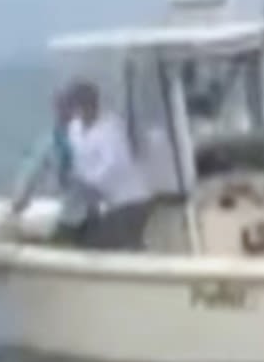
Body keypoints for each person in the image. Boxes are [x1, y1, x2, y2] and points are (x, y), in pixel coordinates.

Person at [63, 79, 155, 250]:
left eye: (82, 105)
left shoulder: (111, 127)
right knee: (86, 242)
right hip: (103, 203)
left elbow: (115, 163)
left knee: (109, 246)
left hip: (130, 201)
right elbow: (78, 161)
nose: (77, 111)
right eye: (73, 106)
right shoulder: (74, 129)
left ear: (92, 104)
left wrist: (91, 182)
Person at [10, 88, 98, 243]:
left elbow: (33, 167)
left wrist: (21, 197)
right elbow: (32, 167)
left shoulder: (58, 140)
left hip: (77, 213)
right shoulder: (59, 139)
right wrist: (21, 196)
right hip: (89, 209)